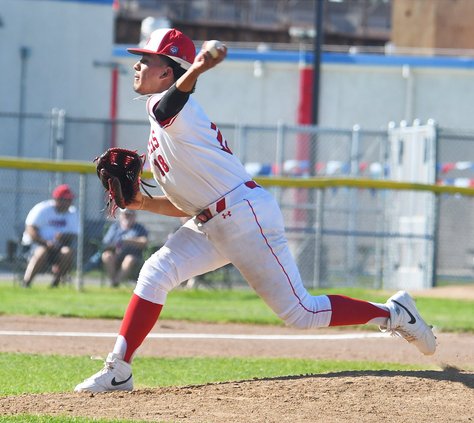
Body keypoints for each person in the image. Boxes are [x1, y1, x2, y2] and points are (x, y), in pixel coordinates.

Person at [75, 28, 436, 393]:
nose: (137, 65)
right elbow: (190, 204)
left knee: (302, 312)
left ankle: (393, 313)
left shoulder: (167, 110)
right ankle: (119, 369)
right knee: (156, 271)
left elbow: (173, 103)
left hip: (244, 216)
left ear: (168, 73)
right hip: (212, 221)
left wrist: (198, 68)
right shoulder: (163, 137)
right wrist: (144, 203)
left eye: (146, 59)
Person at [21, 184, 79, 288]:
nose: (69, 203)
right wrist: (46, 243)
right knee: (41, 252)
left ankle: (55, 283)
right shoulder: (42, 208)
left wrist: (63, 236)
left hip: (58, 247)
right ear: (57, 199)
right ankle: (26, 282)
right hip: (37, 244)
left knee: (67, 252)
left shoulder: (72, 212)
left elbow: (73, 234)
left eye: (70, 200)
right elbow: (30, 229)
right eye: (66, 200)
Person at [101, 209, 148, 287]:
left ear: (134, 216)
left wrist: (129, 241)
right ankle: (114, 282)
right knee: (106, 255)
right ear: (120, 215)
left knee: (129, 259)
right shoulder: (115, 227)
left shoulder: (139, 228)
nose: (127, 217)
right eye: (125, 214)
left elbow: (144, 241)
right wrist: (115, 246)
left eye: (129, 215)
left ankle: (115, 283)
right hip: (116, 254)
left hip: (134, 255)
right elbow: (106, 242)